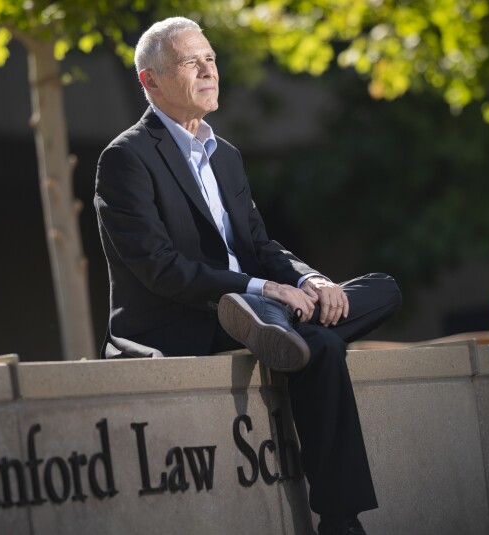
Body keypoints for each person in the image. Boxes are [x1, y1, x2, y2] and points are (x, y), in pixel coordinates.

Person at [94, 17, 401, 535]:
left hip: (264, 306)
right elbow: (160, 269)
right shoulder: (126, 159)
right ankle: (340, 521)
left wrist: (310, 282)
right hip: (190, 316)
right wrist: (259, 289)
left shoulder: (226, 156)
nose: (209, 70)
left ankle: (281, 332)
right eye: (191, 62)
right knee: (322, 349)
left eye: (210, 58)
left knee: (383, 288)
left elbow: (261, 247)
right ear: (150, 82)